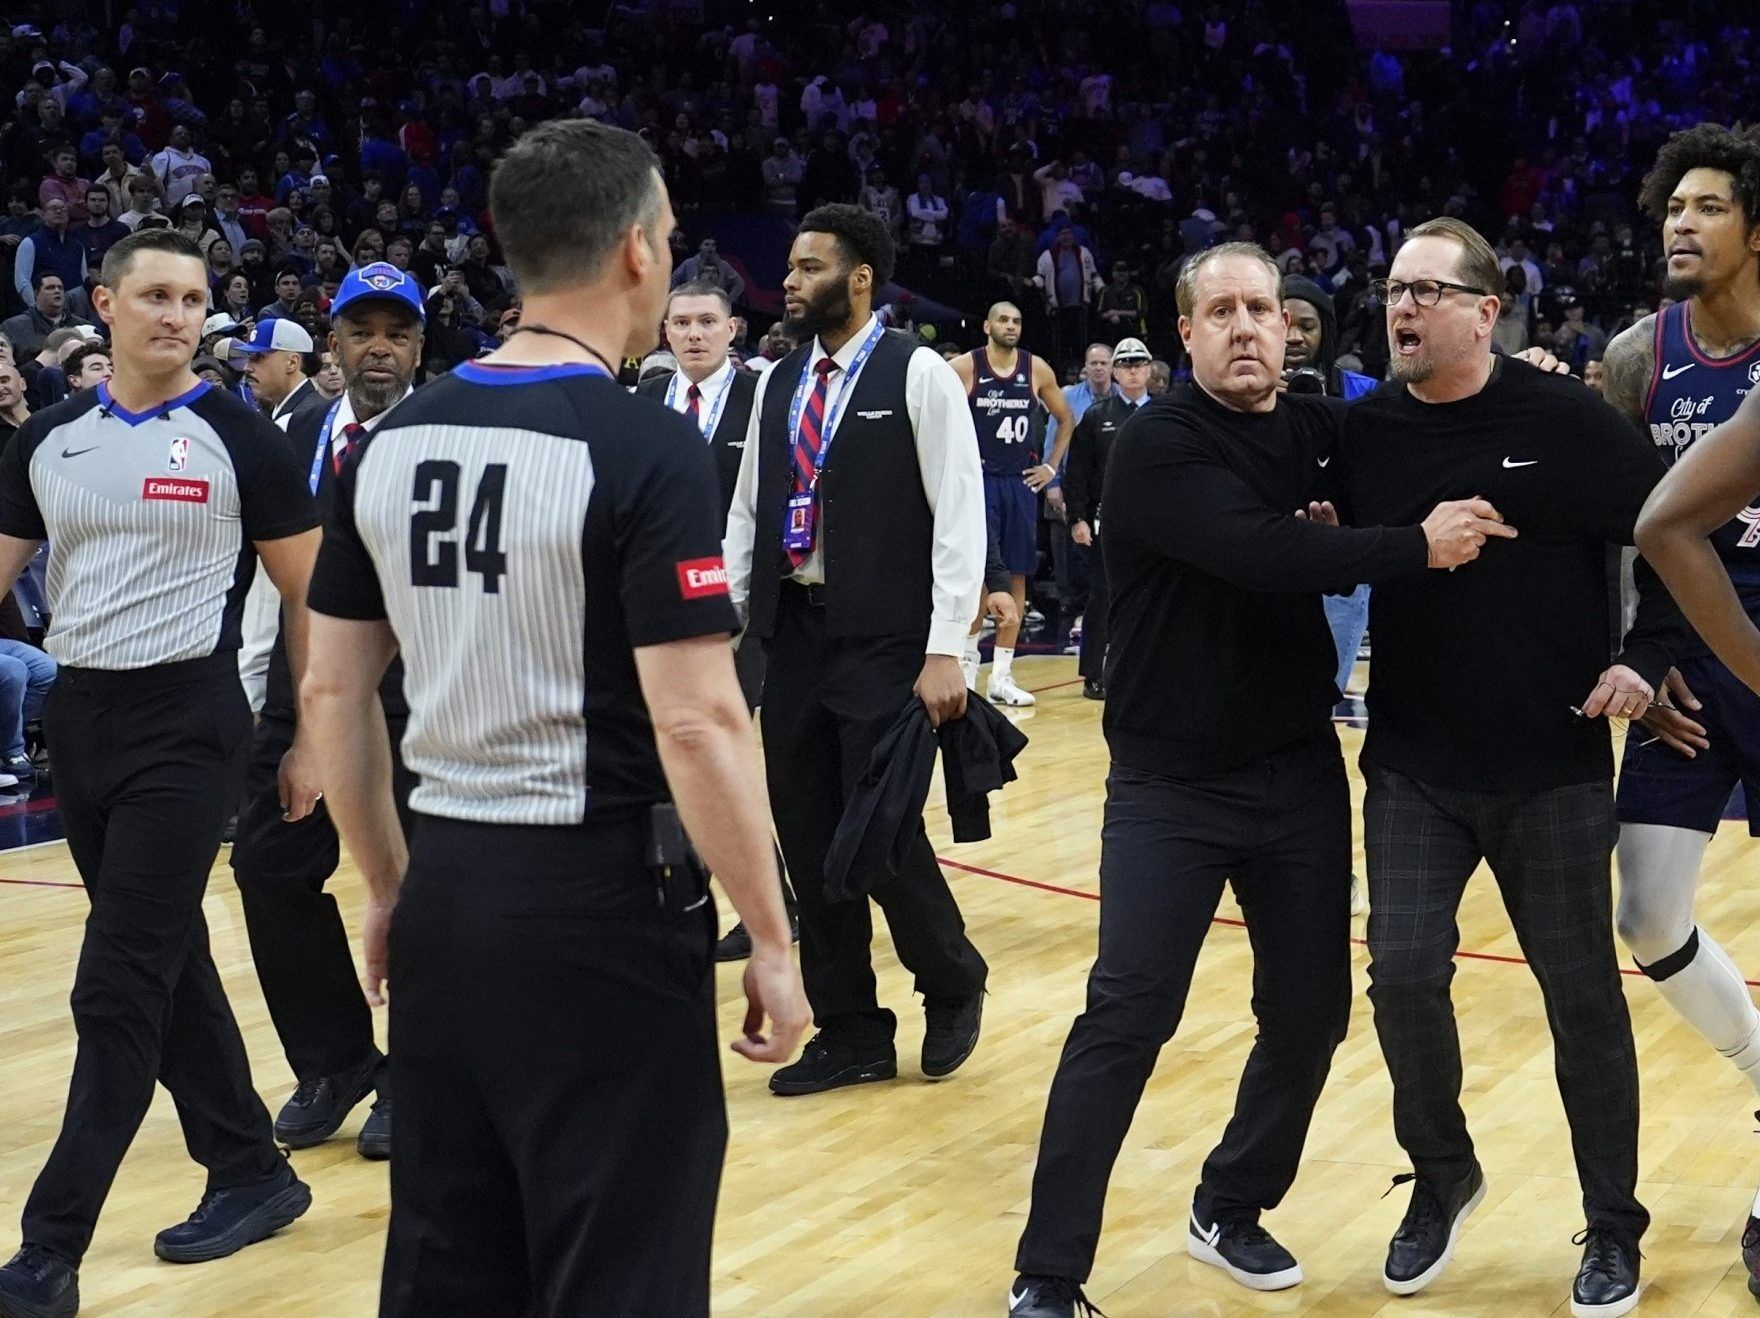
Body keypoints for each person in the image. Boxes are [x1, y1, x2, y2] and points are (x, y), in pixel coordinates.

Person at [300, 119, 806, 1316]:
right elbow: (698, 724)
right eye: (672, 236)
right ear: (636, 251)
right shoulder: (642, 443)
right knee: (617, 1264)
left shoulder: (392, 438)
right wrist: (773, 936)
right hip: (597, 914)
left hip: (444, 896)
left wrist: (384, 884)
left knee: (448, 1258)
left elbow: (332, 688)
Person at [1007, 242, 1503, 1318]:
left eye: (1261, 309)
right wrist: (1408, 545)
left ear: (1289, 329)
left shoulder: (1319, 431)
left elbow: (1430, 424)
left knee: (1310, 1011)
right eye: (1220, 310)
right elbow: (1257, 554)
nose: (1244, 326)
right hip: (1167, 788)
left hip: (1292, 777)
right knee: (1126, 1016)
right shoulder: (1155, 445)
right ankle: (1045, 1276)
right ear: (1183, 335)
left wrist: (1519, 383)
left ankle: (1228, 1200)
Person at [1340, 217, 1684, 1316]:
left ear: (1486, 312)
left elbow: (1677, 527)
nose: (1401, 308)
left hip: (1553, 763)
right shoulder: (1361, 433)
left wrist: (1644, 656)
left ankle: (1611, 1226)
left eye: (1426, 292)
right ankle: (1441, 1175)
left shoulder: (1563, 417)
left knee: (1580, 998)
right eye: (1392, 289)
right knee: (1398, 975)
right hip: (1411, 760)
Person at [0, 228, 323, 1317]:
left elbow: (307, 597)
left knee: (115, 982)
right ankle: (250, 1167)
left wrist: (310, 736)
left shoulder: (240, 437)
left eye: (193, 298)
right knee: (167, 954)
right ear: (106, 304)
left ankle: (48, 1252)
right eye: (155, 295)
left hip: (190, 725)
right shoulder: (46, 440)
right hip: (82, 722)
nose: (178, 314)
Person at [724, 202, 990, 1097]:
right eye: (791, 269)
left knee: (874, 834)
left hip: (887, 636)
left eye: (807, 268)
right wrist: (727, 624)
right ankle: (851, 1031)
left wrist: (946, 646)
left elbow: (959, 512)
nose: (790, 283)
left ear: (859, 277)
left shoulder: (918, 373)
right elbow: (751, 514)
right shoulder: (774, 382)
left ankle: (953, 979)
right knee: (804, 834)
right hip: (792, 632)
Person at [1594, 123, 1760, 1293]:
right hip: (1688, 669)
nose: (1680, 225)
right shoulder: (1632, 358)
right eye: (1671, 209)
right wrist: (1631, 662)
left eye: (1705, 207)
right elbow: (1617, 530)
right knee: (1645, 913)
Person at [230, 261, 426, 1167]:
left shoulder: (448, 431)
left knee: (424, 887)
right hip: (303, 681)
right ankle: (336, 1059)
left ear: (419, 346)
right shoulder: (292, 432)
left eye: (397, 331)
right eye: (362, 331)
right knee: (270, 868)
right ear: (334, 343)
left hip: (420, 683)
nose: (378, 347)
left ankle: (423, 1074)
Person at [637, 276, 800, 961]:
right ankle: (698, 900)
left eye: (708, 321)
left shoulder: (761, 400)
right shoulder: (647, 399)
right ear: (665, 333)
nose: (695, 334)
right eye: (682, 323)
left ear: (734, 330)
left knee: (724, 762)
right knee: (678, 762)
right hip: (658, 613)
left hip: (736, 613)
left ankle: (774, 901)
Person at [950, 302, 1074, 705]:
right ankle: (967, 671)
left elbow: (1066, 419)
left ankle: (1001, 675)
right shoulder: (966, 367)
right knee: (979, 579)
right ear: (986, 326)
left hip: (1019, 485)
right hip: (979, 483)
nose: (1011, 326)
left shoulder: (1035, 368)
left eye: (1018, 321)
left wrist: (1051, 468)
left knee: (1018, 576)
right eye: (1003, 319)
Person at [1064, 336, 1153, 700]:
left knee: (1154, 597)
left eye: (1138, 364)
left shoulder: (1164, 413)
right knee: (1103, 597)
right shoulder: (1097, 415)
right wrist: (1077, 519)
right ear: (1115, 372)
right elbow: (1078, 473)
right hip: (1108, 523)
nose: (1132, 371)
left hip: (1156, 525)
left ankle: (1150, 669)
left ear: (1149, 369)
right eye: (1125, 365)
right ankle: (1093, 675)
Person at [232, 318, 320, 423]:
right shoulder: (283, 410)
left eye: (258, 357)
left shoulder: (311, 416)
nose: (246, 367)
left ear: (292, 363)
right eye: (249, 357)